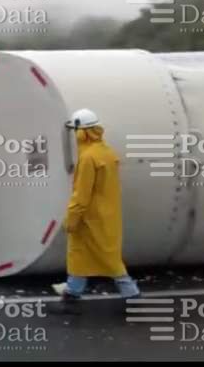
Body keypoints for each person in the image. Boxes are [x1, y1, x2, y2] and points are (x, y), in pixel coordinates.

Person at [52, 108, 140, 314]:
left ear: (82, 132)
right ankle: (72, 294)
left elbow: (81, 195)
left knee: (99, 259)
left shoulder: (88, 158)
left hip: (89, 219)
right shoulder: (107, 152)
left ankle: (132, 294)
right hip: (107, 216)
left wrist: (71, 219)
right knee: (90, 257)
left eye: (76, 131)